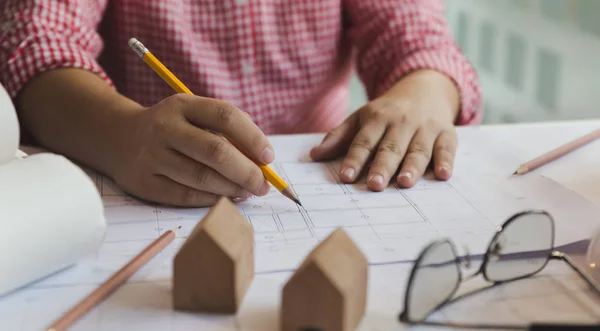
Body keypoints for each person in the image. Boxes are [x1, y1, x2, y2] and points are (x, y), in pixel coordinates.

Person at [0, 0, 482, 207]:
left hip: (315, 165)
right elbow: (33, 45)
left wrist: (424, 91)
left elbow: (416, 39)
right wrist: (120, 132)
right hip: (140, 168)